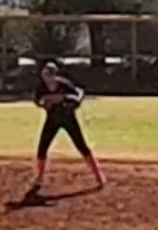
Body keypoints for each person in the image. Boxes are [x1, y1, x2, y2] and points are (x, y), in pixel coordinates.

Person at [31, 61, 106, 190]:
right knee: (42, 148)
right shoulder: (41, 87)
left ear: (54, 75)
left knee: (82, 146)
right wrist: (45, 102)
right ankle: (39, 177)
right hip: (52, 120)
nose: (47, 77)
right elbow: (38, 100)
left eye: (49, 74)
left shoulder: (64, 84)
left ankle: (98, 175)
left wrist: (64, 98)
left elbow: (78, 95)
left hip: (68, 119)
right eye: (45, 74)